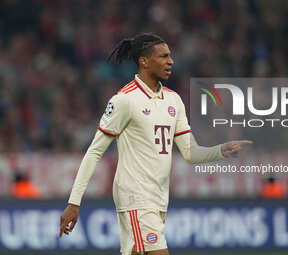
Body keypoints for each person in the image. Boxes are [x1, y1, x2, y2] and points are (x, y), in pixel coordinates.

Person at [59, 33, 252, 255]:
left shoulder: (173, 100)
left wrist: (221, 151)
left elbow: (190, 153)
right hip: (135, 196)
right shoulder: (124, 100)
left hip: (159, 198)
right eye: (163, 56)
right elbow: (94, 152)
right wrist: (74, 203)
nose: (171, 61)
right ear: (144, 61)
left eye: (170, 56)